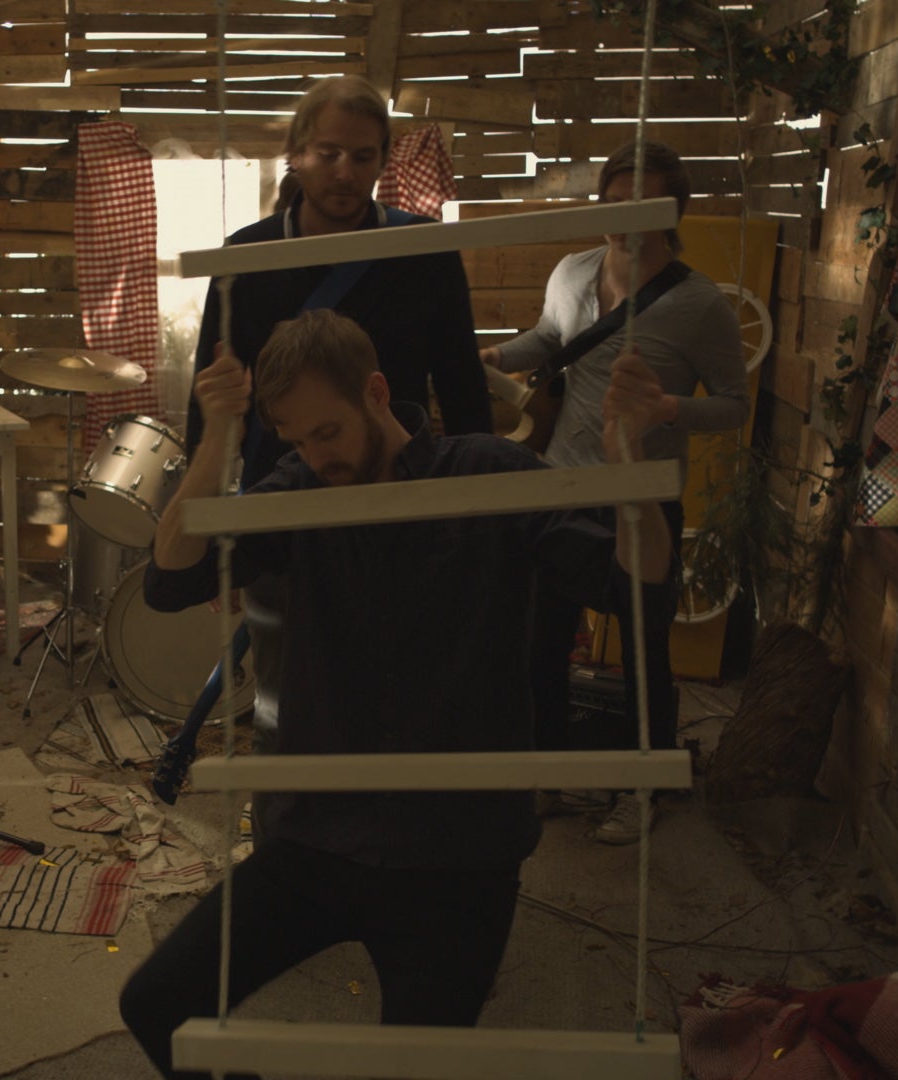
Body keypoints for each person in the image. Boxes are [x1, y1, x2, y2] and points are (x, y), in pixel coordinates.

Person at [120, 308, 672, 1077]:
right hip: (314, 834)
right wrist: (218, 437)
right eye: (297, 440)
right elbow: (170, 579)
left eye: (328, 432)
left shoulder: (489, 475)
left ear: (376, 391)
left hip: (457, 856)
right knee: (155, 1005)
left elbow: (635, 591)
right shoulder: (301, 485)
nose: (316, 456)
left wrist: (629, 464)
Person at [184, 74, 494, 755]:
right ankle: (286, 845)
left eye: (362, 156)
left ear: (384, 160)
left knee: (406, 696)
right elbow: (209, 400)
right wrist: (214, 542)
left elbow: (464, 391)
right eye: (327, 153)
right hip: (281, 509)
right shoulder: (246, 256)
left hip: (401, 508)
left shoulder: (425, 252)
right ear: (296, 154)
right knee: (287, 704)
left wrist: (478, 513)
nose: (345, 172)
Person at [482, 141, 747, 843]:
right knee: (542, 642)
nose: (624, 217)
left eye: (644, 203)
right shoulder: (572, 271)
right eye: (613, 201)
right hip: (560, 487)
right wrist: (499, 357)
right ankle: (543, 780)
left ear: (674, 211)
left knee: (643, 652)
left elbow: (733, 404)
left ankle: (642, 788)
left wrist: (666, 411)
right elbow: (548, 337)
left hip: (643, 500)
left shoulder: (699, 305)